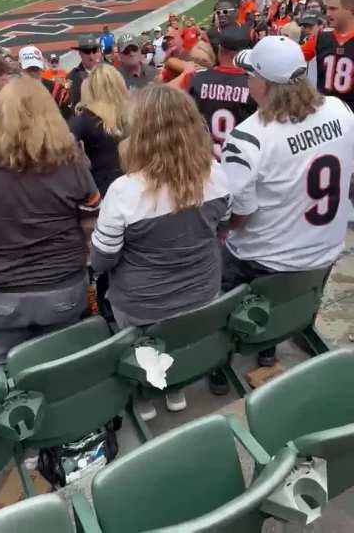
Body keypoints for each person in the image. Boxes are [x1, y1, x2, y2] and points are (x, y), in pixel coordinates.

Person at [91, 84, 232, 417]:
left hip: (143, 305)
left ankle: (145, 393)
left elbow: (101, 260)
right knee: (176, 334)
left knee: (142, 338)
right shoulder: (216, 174)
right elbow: (223, 227)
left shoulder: (124, 191)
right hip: (202, 293)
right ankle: (175, 388)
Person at [221, 35, 354, 371]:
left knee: (219, 252)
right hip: (324, 250)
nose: (247, 80)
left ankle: (229, 359)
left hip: (266, 261)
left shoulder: (249, 137)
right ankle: (282, 337)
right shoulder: (340, 110)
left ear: (264, 85)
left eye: (251, 75)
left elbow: (239, 216)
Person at [0, 77, 100, 365]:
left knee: (8, 372)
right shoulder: (70, 159)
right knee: (61, 364)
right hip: (62, 289)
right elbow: (91, 225)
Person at [189, 26, 256, 159]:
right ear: (246, 53)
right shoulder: (254, 85)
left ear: (219, 50)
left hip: (206, 160)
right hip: (243, 158)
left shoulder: (198, 80)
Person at [70, 64, 128, 198]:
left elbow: (62, 142)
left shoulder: (86, 118)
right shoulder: (134, 112)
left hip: (104, 192)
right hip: (135, 188)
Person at [301, 0, 354, 111]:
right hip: (327, 114)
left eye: (333, 9)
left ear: (350, 9)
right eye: (327, 8)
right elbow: (293, 58)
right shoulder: (320, 38)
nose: (328, 14)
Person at [68, 34, 103, 109]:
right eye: (87, 52)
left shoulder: (109, 72)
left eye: (94, 51)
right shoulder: (73, 78)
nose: (91, 56)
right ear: (80, 53)